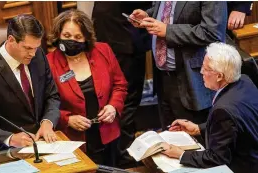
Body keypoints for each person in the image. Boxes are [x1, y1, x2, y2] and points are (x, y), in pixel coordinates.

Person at [46, 9, 127, 166]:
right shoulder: (48, 64)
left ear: (86, 38)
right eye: (67, 36)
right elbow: (44, 104)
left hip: (107, 134)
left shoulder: (103, 51)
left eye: (78, 37)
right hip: (73, 141)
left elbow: (120, 85)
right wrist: (67, 119)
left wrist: (113, 106)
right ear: (58, 35)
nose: (72, 41)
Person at [129, 2, 227, 130]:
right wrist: (149, 15)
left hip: (193, 79)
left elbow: (213, 32)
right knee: (171, 137)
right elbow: (168, 11)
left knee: (195, 142)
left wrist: (168, 30)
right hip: (163, 77)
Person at [0, 14, 60, 148]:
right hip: (10, 152)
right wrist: (10, 138)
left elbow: (52, 95)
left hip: (45, 143)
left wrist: (47, 122)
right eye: (28, 48)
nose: (33, 54)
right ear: (11, 40)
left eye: (36, 47)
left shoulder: (38, 55)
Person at [163, 42, 258, 173]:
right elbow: (232, 127)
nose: (201, 72)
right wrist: (198, 128)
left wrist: (181, 154)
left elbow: (217, 158)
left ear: (219, 76)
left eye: (206, 69)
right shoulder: (244, 81)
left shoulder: (223, 109)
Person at [91, 1, 152, 167]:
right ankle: (124, 154)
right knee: (126, 101)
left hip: (113, 38)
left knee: (120, 101)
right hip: (123, 41)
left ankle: (120, 152)